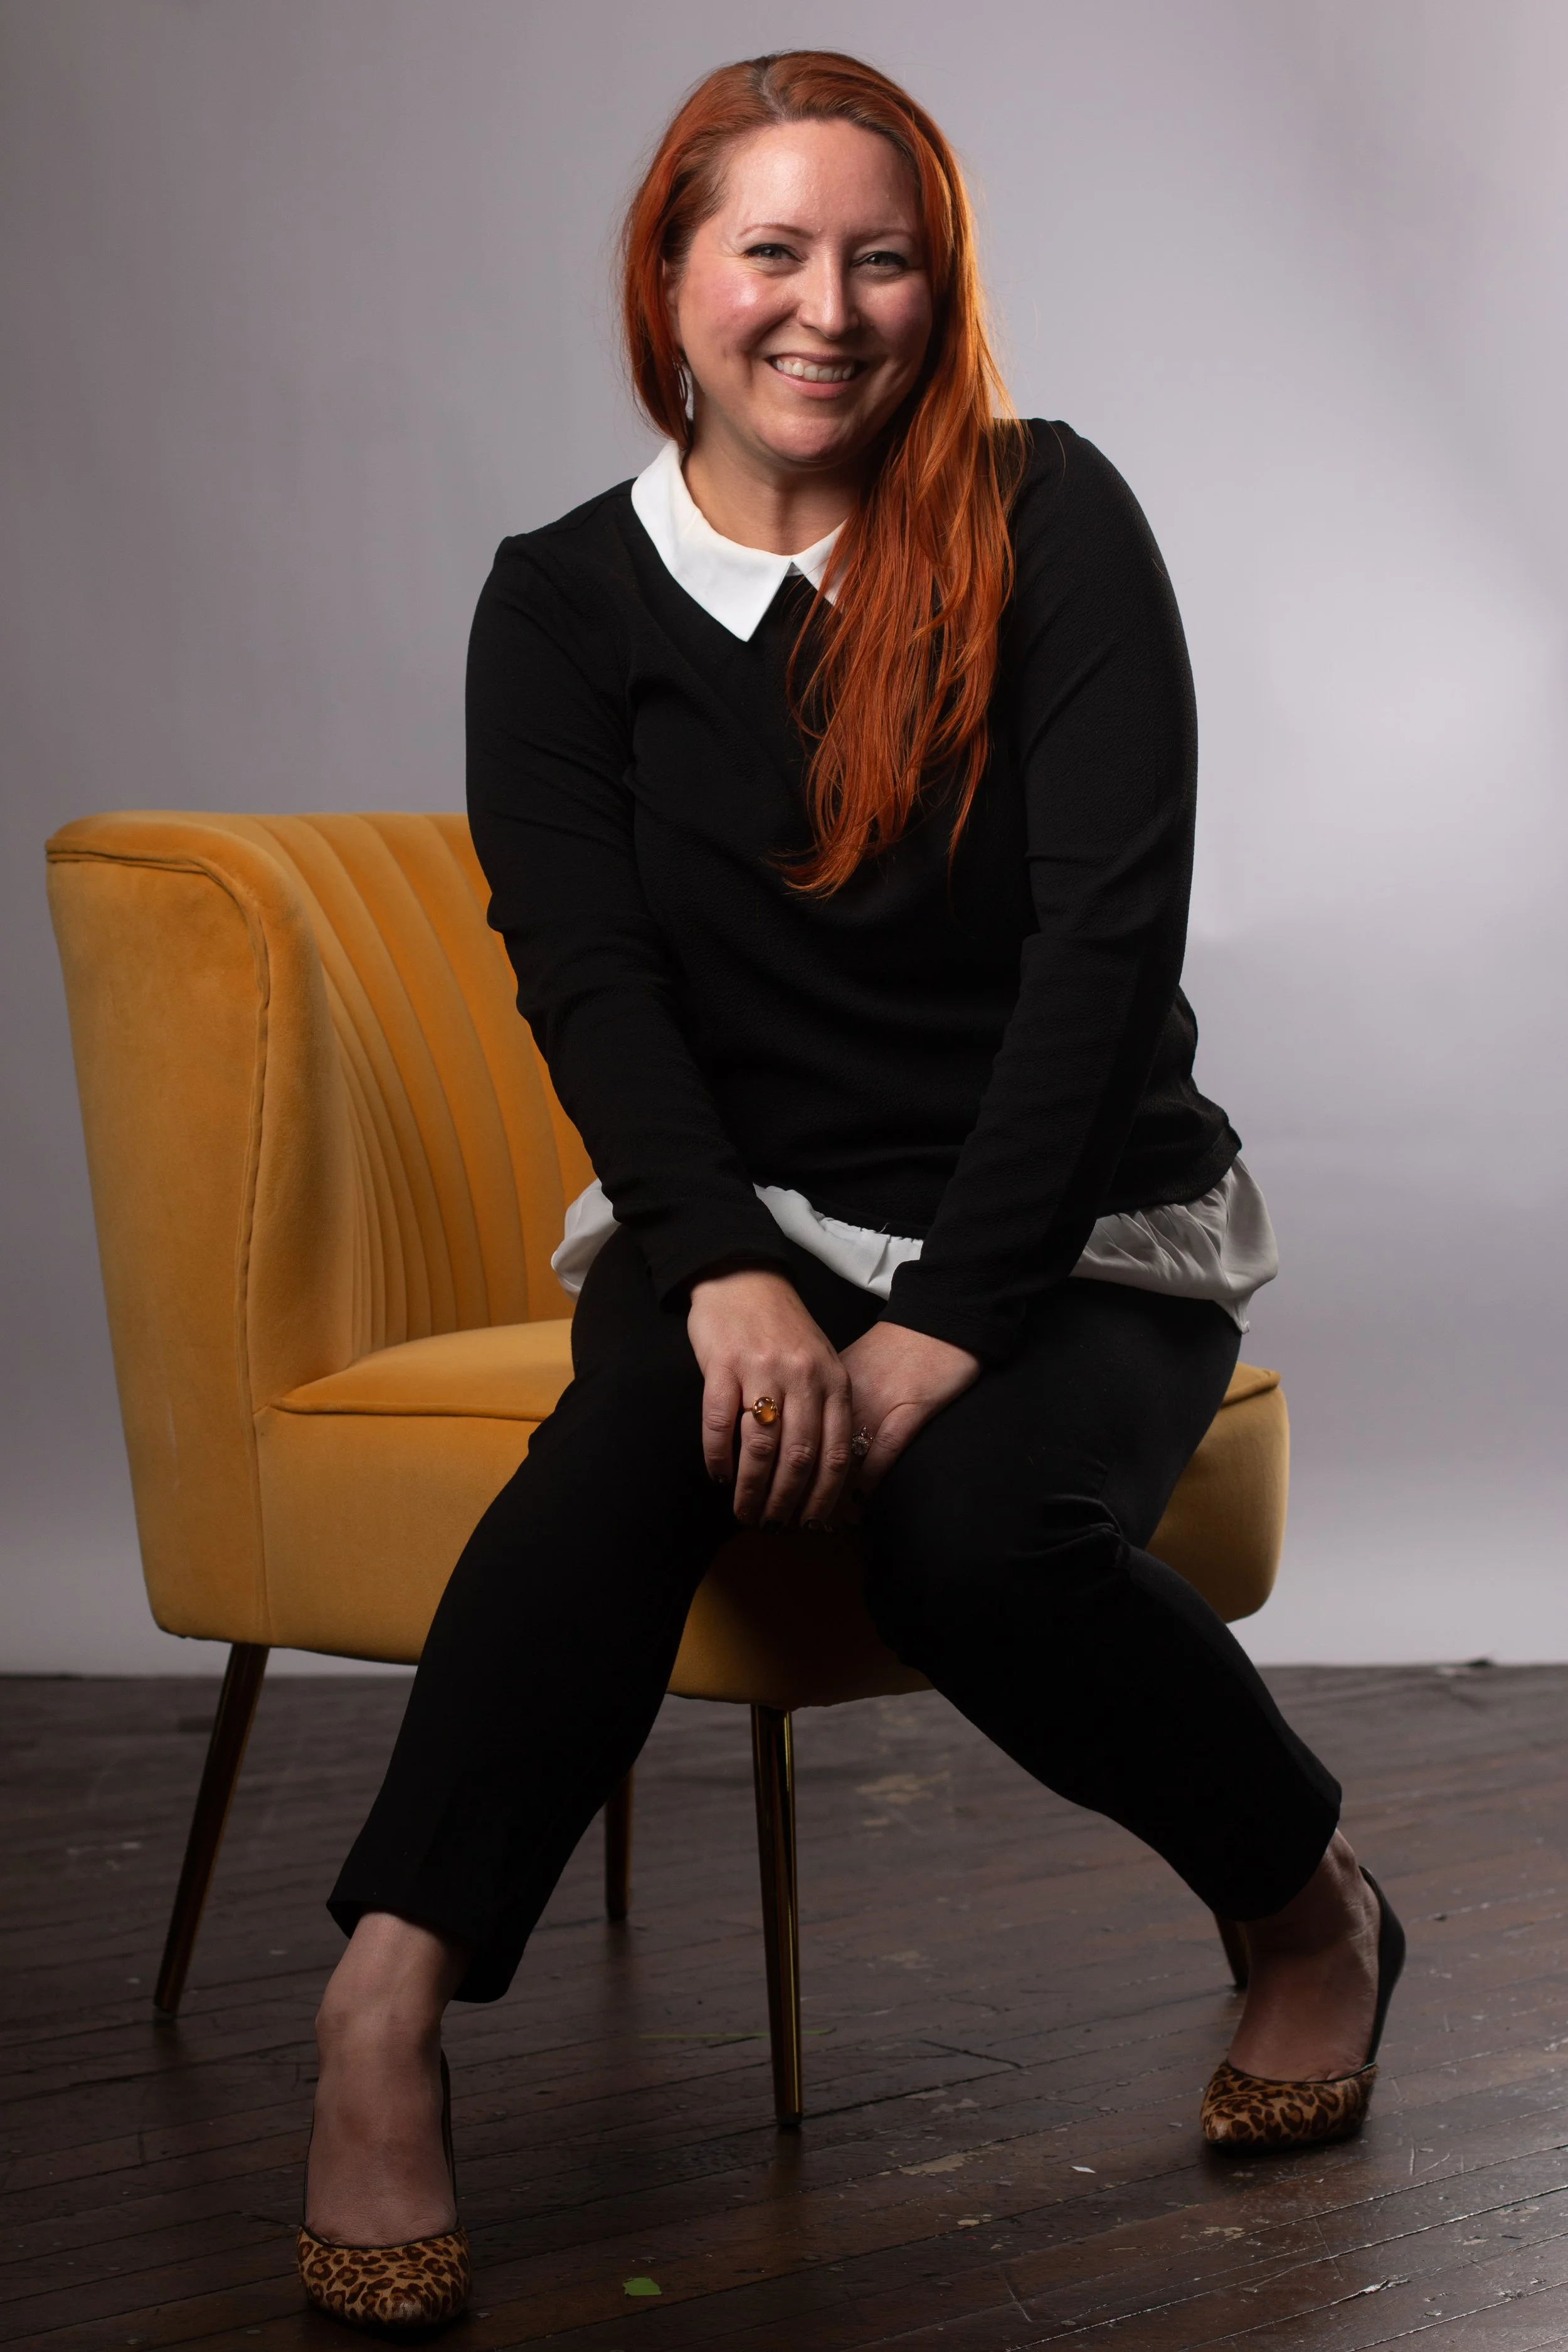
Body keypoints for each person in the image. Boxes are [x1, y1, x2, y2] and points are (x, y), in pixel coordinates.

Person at [296, 50, 1404, 2332]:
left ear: (939, 286)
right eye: (771, 251)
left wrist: (946, 1319)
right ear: (670, 281)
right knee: (628, 1441)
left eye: (880, 257)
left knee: (971, 1540)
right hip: (744, 1215)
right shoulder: (558, 602)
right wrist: (715, 1261)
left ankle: (1311, 1908)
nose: (827, 307)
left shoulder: (1046, 512)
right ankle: (378, 2015)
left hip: (1076, 1220)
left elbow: (1106, 948)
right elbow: (589, 978)